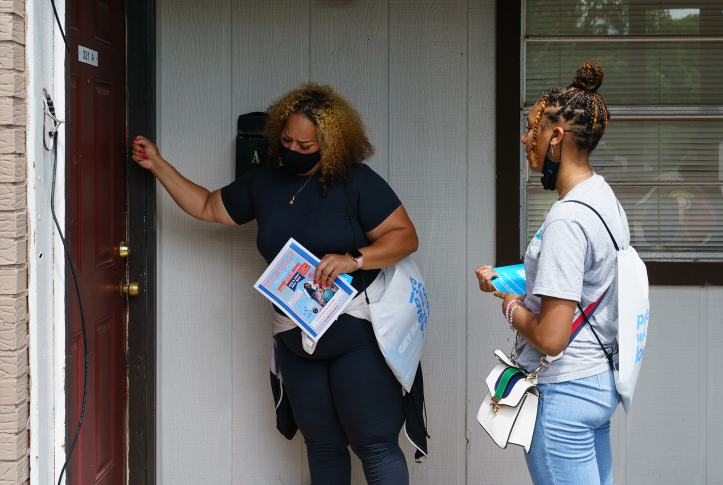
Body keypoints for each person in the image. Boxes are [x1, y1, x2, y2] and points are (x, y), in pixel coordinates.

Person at [132, 83, 418, 485]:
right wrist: (158, 164)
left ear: (330, 143)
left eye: (305, 146)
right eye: (286, 141)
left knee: (374, 444)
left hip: (357, 336)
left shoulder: (356, 181)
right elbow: (207, 205)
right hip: (294, 336)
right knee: (321, 445)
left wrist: (353, 259)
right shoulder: (264, 182)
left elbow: (405, 236)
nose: (293, 152)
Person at [475, 63, 628, 485]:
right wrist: (512, 278)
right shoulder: (601, 197)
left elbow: (550, 337)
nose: (526, 139)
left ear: (555, 137)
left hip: (564, 393)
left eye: (532, 129)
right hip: (598, 381)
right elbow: (583, 279)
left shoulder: (566, 220)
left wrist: (510, 306)